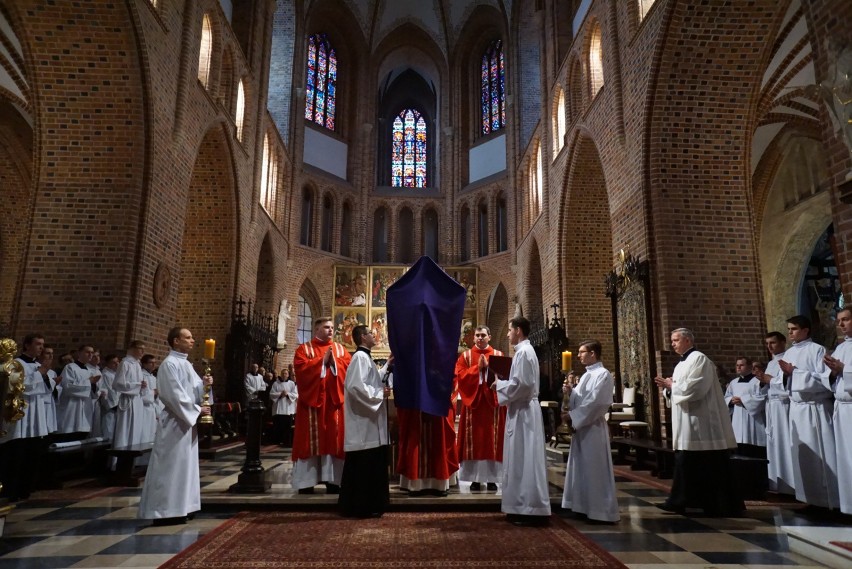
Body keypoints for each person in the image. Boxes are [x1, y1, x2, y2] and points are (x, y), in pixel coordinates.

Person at [654, 328, 743, 516]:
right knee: (686, 460)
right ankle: (683, 500)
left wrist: (672, 385)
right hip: (686, 420)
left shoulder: (699, 359)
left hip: (700, 421)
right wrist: (669, 388)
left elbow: (696, 389)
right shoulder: (681, 364)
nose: (673, 343)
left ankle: (690, 502)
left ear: (687, 340)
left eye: (676, 340)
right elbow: (679, 388)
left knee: (696, 461)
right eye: (672, 340)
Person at [137, 327, 212, 525]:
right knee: (170, 467)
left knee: (185, 468)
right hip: (174, 423)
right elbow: (173, 396)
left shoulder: (186, 364)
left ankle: (183, 507)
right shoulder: (170, 364)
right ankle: (164, 511)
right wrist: (197, 410)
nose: (192, 340)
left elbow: (195, 391)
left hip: (186, 424)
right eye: (188, 337)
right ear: (175, 341)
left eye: (192, 337)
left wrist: (205, 385)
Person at [492, 317, 551, 526]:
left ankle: (530, 508)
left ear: (518, 330)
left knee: (525, 459)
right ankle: (520, 505)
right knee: (520, 458)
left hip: (524, 411)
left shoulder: (524, 353)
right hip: (521, 409)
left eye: (509, 330)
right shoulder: (523, 352)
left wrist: (499, 385)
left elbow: (523, 385)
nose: (507, 334)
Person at [779, 315, 838, 510]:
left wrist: (794, 374)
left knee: (822, 456)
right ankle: (809, 498)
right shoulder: (788, 353)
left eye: (794, 329)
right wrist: (787, 377)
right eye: (789, 329)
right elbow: (781, 385)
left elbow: (824, 380)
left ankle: (827, 500)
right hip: (797, 409)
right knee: (803, 457)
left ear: (805, 330)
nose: (790, 333)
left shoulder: (817, 350)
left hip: (815, 409)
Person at [561, 340, 619, 523]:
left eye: (582, 352)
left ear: (593, 353)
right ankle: (581, 506)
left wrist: (574, 416)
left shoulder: (603, 375)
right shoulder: (586, 375)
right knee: (581, 468)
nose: (578, 355)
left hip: (593, 428)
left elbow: (597, 403)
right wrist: (570, 393)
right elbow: (580, 399)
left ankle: (599, 511)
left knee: (594, 468)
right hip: (582, 428)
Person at [339, 325, 394, 518]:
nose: (374, 335)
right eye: (371, 332)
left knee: (368, 465)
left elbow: (371, 380)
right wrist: (380, 393)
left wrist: (386, 366)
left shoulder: (365, 358)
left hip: (368, 423)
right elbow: (356, 386)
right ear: (363, 337)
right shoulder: (360, 358)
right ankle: (359, 507)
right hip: (362, 424)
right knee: (363, 466)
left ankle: (368, 505)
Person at [291, 317, 351, 494]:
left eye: (332, 327)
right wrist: (321, 362)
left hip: (333, 405)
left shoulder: (341, 350)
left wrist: (335, 364)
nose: (330, 330)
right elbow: (301, 371)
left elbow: (348, 369)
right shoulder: (304, 349)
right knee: (309, 443)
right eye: (326, 327)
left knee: (333, 440)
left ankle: (333, 481)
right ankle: (306, 482)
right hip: (311, 406)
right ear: (316, 329)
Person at [0, 333, 51, 502]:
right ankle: (11, 490)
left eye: (42, 344)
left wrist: (44, 374)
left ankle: (26, 488)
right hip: (21, 414)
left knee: (33, 452)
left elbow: (47, 390)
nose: (41, 348)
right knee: (17, 453)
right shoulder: (16, 364)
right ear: (27, 345)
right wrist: (41, 373)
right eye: (38, 344)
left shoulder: (38, 365)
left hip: (36, 415)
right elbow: (19, 388)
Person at [454, 325, 505, 492]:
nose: (480, 338)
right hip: (473, 405)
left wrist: (490, 371)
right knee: (474, 441)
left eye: (483, 335)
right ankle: (474, 479)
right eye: (477, 335)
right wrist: (478, 369)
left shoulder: (498, 355)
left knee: (492, 441)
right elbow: (459, 376)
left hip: (492, 405)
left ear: (489, 337)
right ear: (473, 338)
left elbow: (505, 376)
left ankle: (492, 479)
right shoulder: (466, 356)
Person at [757, 331, 795, 495]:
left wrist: (768, 380)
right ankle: (778, 483)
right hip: (772, 407)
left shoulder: (788, 358)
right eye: (767, 344)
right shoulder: (771, 363)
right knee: (775, 445)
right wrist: (762, 382)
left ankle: (791, 485)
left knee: (786, 445)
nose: (769, 347)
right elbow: (769, 385)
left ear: (783, 342)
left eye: (772, 343)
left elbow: (788, 386)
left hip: (784, 407)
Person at [823, 307, 852, 514]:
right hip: (841, 409)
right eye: (839, 321)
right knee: (845, 458)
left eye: (846, 320)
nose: (841, 324)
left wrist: (844, 370)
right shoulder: (840, 348)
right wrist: (832, 374)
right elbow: (828, 379)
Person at [724, 357, 767, 458]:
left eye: (741, 365)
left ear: (749, 366)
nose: (738, 367)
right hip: (737, 420)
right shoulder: (733, 382)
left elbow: (761, 397)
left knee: (754, 452)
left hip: (754, 420)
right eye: (737, 365)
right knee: (739, 450)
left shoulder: (757, 381)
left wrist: (743, 401)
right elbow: (726, 397)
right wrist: (730, 401)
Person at [112, 341, 148, 456]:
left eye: (144, 349)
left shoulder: (137, 364)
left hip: (137, 401)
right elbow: (118, 384)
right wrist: (138, 385)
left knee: (135, 431)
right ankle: (120, 460)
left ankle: (132, 459)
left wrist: (142, 386)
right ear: (132, 349)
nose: (142, 352)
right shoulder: (125, 363)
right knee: (125, 430)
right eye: (140, 348)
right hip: (127, 401)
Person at [57, 345, 100, 437]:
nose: (90, 355)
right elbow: (68, 387)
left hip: (85, 409)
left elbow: (94, 394)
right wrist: (89, 382)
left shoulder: (91, 371)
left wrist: (94, 386)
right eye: (87, 352)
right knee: (69, 436)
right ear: (79, 353)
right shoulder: (70, 367)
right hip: (71, 408)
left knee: (82, 435)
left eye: (92, 353)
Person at [269, 366, 298, 446]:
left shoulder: (292, 384)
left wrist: (287, 394)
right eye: (283, 374)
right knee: (278, 427)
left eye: (285, 374)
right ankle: (277, 441)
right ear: (280, 374)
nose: (284, 375)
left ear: (288, 375)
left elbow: (295, 394)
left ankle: (286, 442)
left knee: (287, 427)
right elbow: (271, 394)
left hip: (288, 409)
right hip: (278, 409)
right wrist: (280, 394)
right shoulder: (276, 383)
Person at [139, 354, 160, 444]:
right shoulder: (141, 376)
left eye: (154, 363)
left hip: (152, 409)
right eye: (151, 363)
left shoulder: (153, 378)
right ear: (144, 364)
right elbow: (142, 395)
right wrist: (154, 392)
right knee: (144, 435)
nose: (153, 365)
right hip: (143, 410)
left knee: (151, 436)